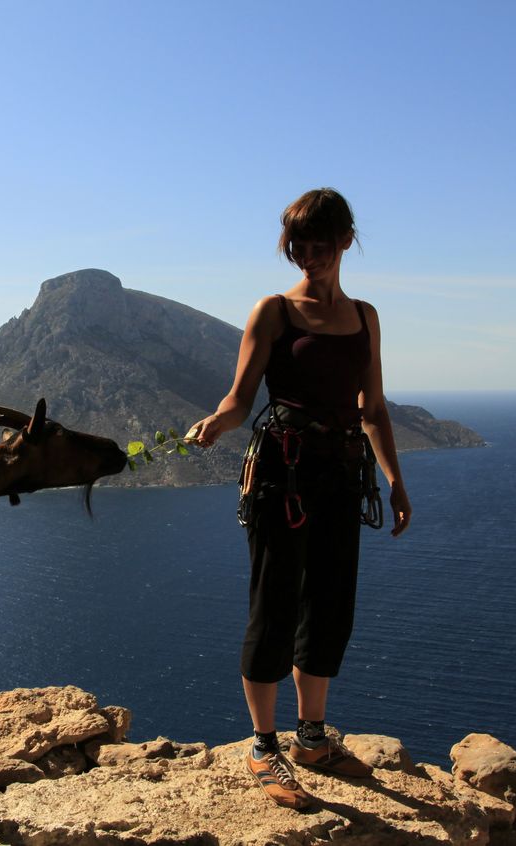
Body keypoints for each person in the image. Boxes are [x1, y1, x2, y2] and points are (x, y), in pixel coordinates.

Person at [189, 188, 411, 810]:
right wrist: (215, 424)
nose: (307, 259)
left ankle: (312, 738)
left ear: (345, 240)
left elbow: (373, 409)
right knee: (275, 605)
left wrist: (395, 480)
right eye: (297, 249)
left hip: (342, 476)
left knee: (332, 605)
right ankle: (265, 747)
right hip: (281, 477)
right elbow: (240, 397)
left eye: (318, 246)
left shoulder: (365, 317)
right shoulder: (274, 313)